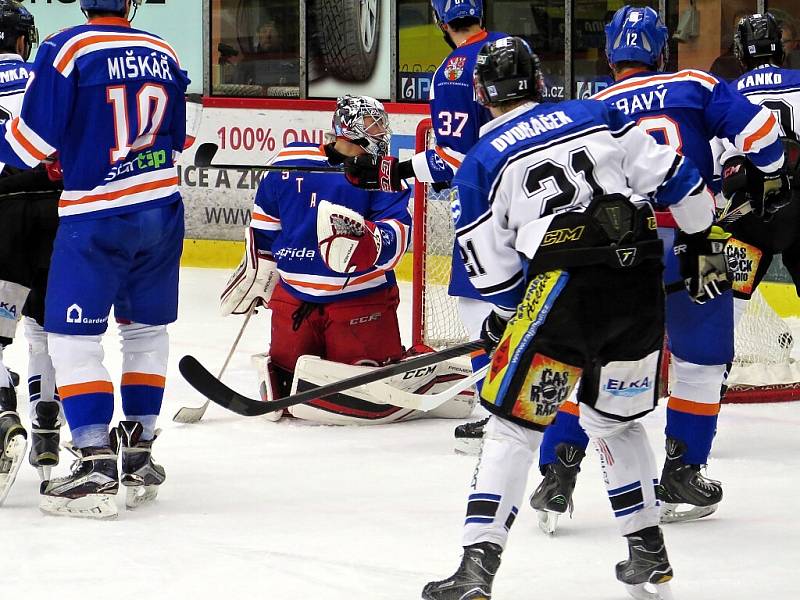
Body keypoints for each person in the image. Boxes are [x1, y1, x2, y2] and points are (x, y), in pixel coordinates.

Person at [422, 36, 725, 600]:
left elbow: (494, 273)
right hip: (638, 286)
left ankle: (475, 572)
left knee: (511, 427)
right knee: (615, 423)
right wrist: (699, 226)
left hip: (562, 291)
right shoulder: (598, 111)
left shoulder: (482, 162)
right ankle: (648, 554)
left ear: (483, 97)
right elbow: (682, 184)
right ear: (540, 81)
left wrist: (512, 317)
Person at [530, 5, 787, 530]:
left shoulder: (589, 105)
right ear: (661, 49)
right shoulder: (694, 83)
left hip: (610, 247)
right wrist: (772, 171)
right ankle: (682, 472)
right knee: (701, 361)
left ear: (609, 53)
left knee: (588, 358)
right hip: (697, 237)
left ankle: (556, 472)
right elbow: (764, 139)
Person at [0, 0, 189, 518]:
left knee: (71, 338)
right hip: (162, 209)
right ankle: (141, 453)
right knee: (145, 332)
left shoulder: (69, 47)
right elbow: (173, 140)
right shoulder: (164, 50)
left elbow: (26, 145)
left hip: (98, 217)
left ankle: (95, 463)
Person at [221, 95, 474, 425]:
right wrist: (258, 275)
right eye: (371, 123)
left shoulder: (384, 172)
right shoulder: (289, 159)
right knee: (283, 380)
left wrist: (367, 241)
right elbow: (265, 225)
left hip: (359, 302)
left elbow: (397, 237)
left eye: (381, 124)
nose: (380, 131)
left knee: (366, 382)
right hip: (294, 301)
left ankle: (433, 376)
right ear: (347, 127)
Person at [343, 0, 508, 450]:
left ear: (439, 20)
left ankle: (496, 412)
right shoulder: (515, 48)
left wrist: (388, 173)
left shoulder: (455, 69)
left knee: (477, 306)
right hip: (536, 199)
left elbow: (453, 160)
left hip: (487, 205)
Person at [0, 0, 65, 504]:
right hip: (53, 209)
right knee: (46, 323)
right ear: (23, 39)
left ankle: (3, 408)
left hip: (1, 214)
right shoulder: (44, 74)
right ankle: (47, 419)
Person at [723, 13, 800, 314]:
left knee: (716, 307)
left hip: (746, 215)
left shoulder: (724, 93)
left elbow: (717, 168)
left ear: (740, 54)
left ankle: (706, 361)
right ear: (780, 49)